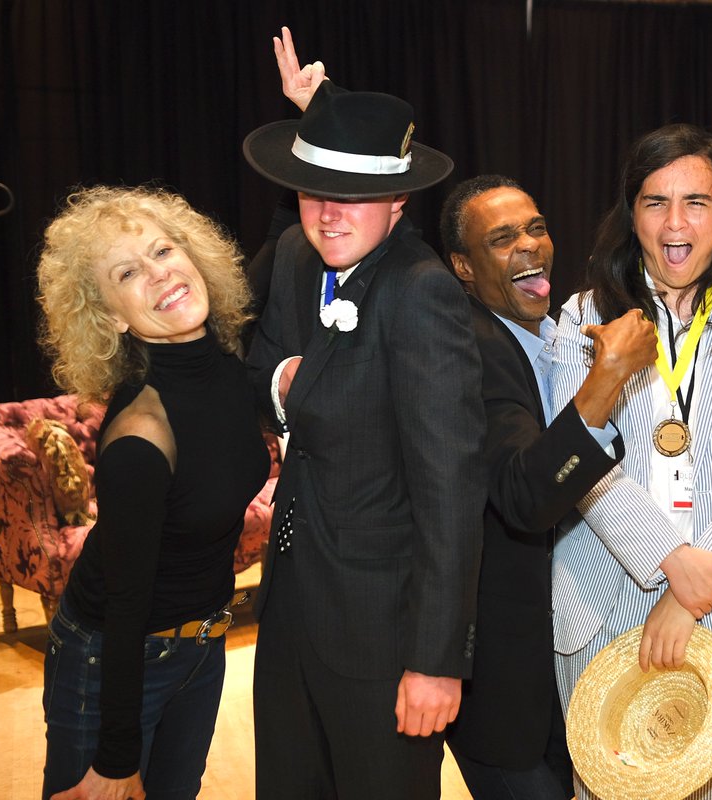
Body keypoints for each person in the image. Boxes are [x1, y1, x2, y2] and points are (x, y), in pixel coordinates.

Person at [242, 64, 487, 799]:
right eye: (315, 192)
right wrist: (284, 382)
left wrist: (437, 661)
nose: (330, 215)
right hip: (287, 615)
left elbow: (451, 494)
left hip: (385, 636)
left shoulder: (423, 295)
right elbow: (255, 364)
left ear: (400, 200)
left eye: (356, 197)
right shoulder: (291, 256)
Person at [551, 123, 712, 799]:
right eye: (654, 201)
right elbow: (578, 462)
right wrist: (671, 561)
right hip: (602, 597)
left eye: (696, 201)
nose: (675, 222)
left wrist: (688, 596)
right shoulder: (580, 320)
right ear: (629, 214)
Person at [35, 186, 270, 800]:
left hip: (202, 646)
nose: (159, 272)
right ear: (111, 315)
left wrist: (312, 116)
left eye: (164, 249)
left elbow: (289, 228)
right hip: (115, 662)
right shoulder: (141, 436)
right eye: (127, 272)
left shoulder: (226, 364)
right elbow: (125, 605)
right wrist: (115, 759)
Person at [438, 174, 657, 799]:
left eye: (535, 228)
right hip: (500, 683)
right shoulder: (470, 350)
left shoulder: (552, 334)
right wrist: (607, 379)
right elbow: (524, 499)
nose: (529, 246)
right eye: (502, 239)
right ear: (463, 266)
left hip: (558, 670)